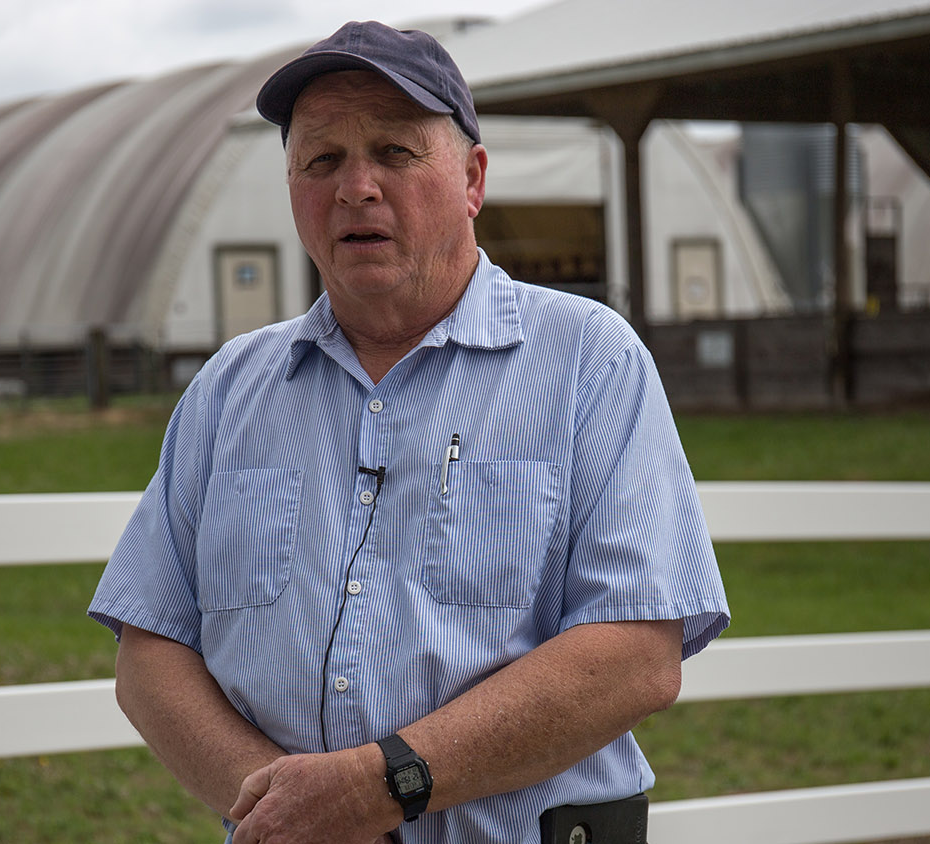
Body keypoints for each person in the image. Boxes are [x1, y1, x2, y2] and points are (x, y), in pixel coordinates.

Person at [89, 20, 729, 844]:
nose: (356, 186)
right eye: (322, 160)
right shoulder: (228, 392)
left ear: (472, 179)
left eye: (394, 152)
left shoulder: (588, 363)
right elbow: (150, 653)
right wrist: (285, 812)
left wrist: (379, 786)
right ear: (292, 190)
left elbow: (638, 650)